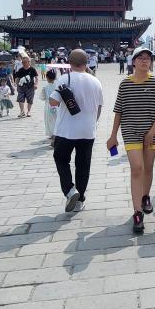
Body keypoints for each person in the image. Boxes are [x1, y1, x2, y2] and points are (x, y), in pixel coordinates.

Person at [106, 46, 155, 234]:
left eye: (147, 58)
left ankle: (145, 196)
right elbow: (119, 110)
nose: (144, 61)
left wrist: (151, 132)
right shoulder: (125, 84)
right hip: (131, 131)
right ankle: (137, 213)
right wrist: (112, 135)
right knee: (137, 168)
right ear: (133, 62)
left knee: (148, 168)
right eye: (140, 58)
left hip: (153, 133)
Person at [51, 49, 105, 212]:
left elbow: (53, 102)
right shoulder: (96, 81)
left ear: (69, 62)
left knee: (61, 159)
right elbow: (99, 107)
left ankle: (69, 190)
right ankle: (80, 199)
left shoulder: (64, 78)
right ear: (87, 62)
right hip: (88, 130)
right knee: (83, 165)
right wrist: (92, 122)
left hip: (66, 130)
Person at [43, 68, 58, 143]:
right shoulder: (58, 85)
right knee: (57, 120)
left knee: (50, 121)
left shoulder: (46, 87)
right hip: (58, 106)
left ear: (47, 78)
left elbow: (42, 97)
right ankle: (57, 134)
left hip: (49, 106)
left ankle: (53, 136)